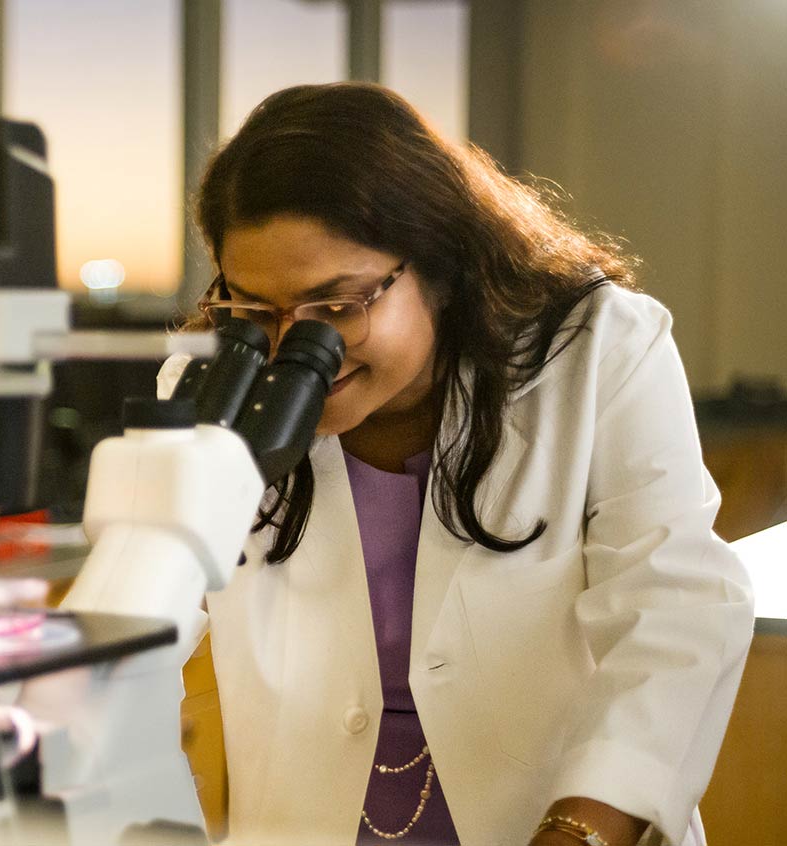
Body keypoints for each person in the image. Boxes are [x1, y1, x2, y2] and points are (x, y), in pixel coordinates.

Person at [158, 83, 754, 846]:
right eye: (253, 308)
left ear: (436, 260)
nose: (295, 349)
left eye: (336, 306)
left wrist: (580, 831)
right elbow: (139, 629)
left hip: (563, 820)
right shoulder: (213, 386)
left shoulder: (598, 349)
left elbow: (673, 611)